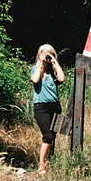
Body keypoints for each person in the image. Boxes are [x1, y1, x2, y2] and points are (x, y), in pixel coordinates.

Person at [29, 44, 66, 173]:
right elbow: (34, 79)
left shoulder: (54, 70)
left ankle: (50, 162)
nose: (47, 56)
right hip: (41, 107)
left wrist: (54, 62)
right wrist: (41, 62)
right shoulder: (35, 68)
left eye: (49, 54)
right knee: (48, 136)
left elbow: (62, 78)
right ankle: (41, 165)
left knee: (53, 136)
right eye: (44, 53)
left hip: (55, 106)